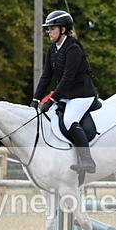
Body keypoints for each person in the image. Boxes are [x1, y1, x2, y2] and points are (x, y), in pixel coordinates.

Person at [30, 10, 98, 174]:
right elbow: (46, 76)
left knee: (69, 120)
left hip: (82, 94)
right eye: (48, 29)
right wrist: (36, 99)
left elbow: (67, 78)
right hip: (67, 95)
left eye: (52, 28)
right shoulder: (53, 49)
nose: (49, 32)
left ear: (63, 29)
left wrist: (51, 100)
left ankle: (88, 161)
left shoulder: (73, 48)